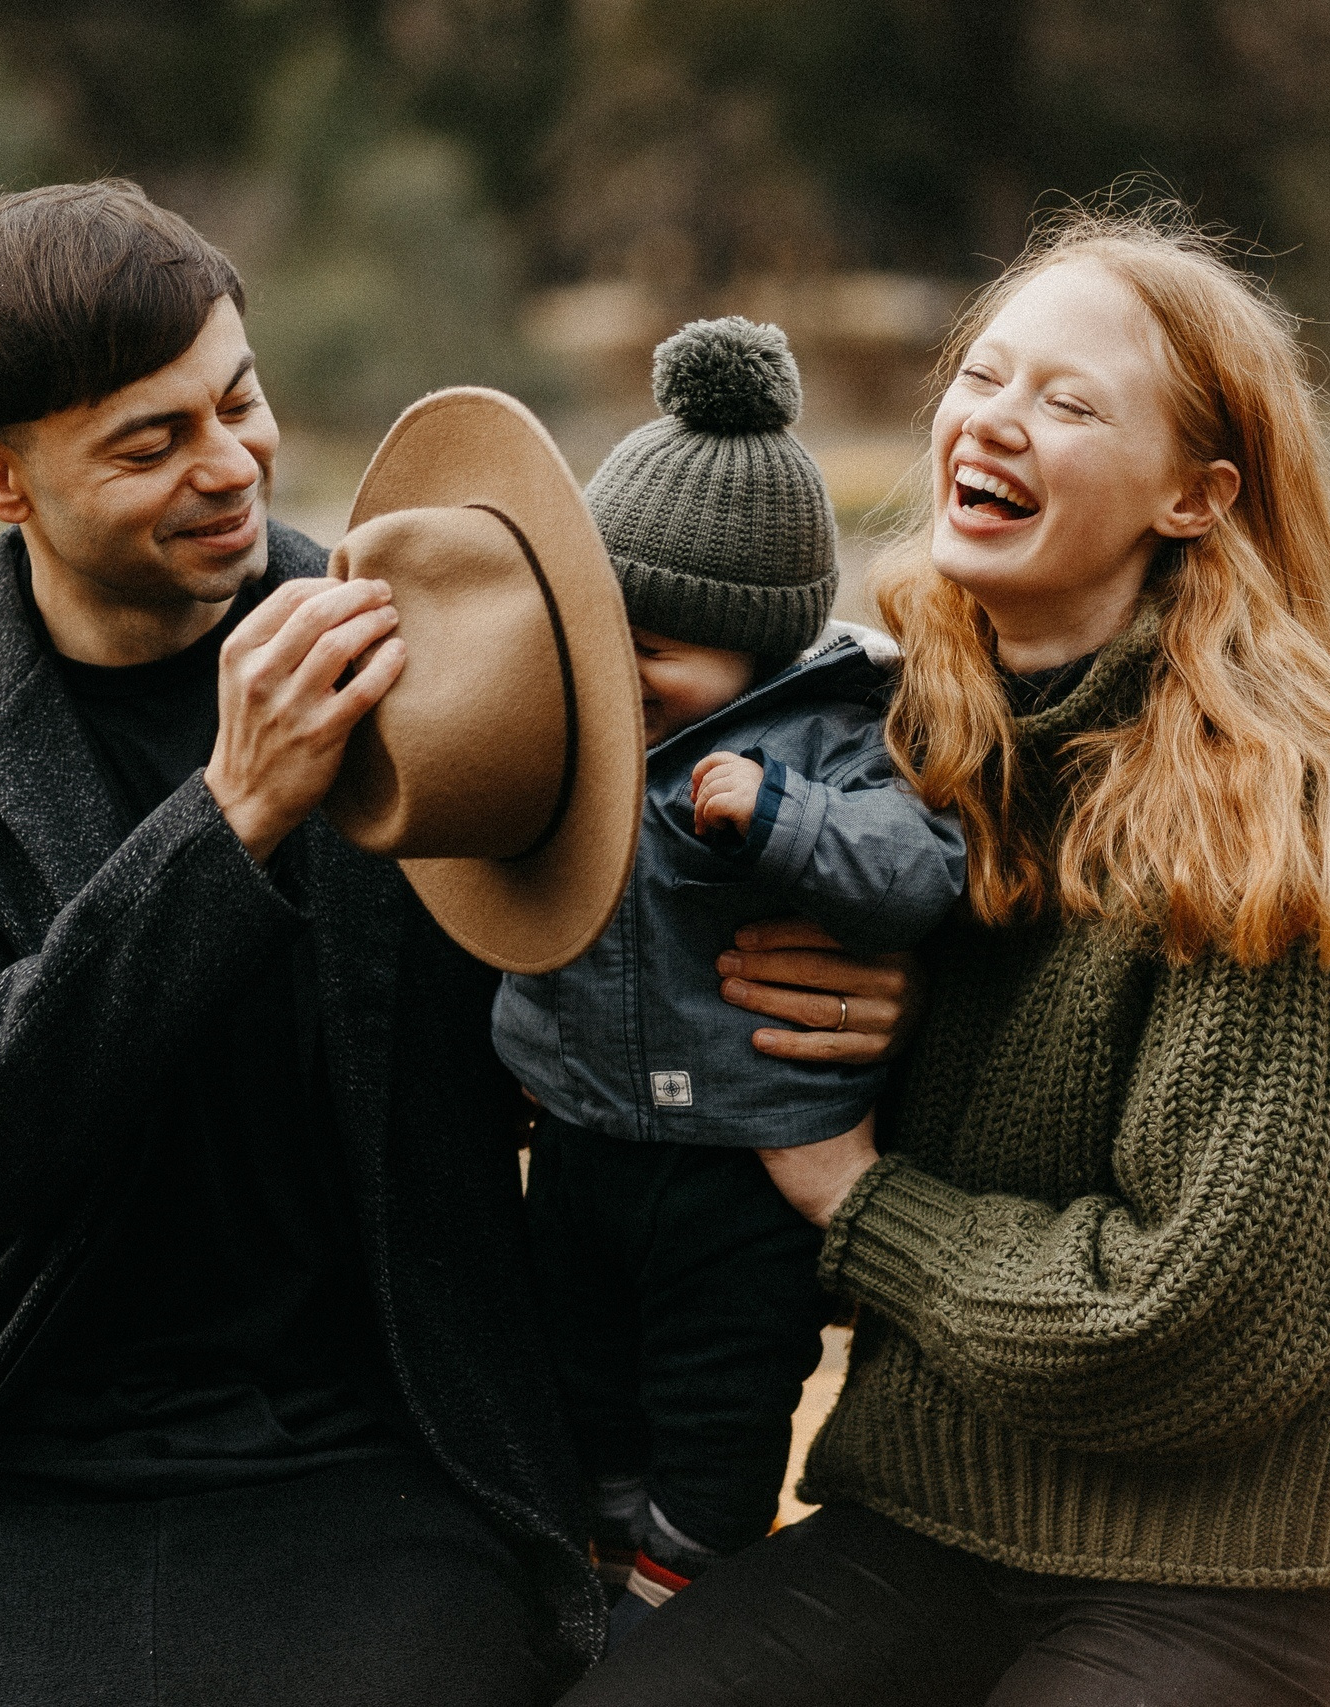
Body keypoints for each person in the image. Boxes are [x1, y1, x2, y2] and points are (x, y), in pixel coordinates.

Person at [0, 179, 916, 1707]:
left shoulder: (438, 662)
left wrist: (839, 999)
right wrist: (231, 816)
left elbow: (644, 918)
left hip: (392, 1429)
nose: (229, 464)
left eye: (239, 400)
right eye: (149, 443)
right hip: (27, 1444)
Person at [561, 204, 1330, 1707]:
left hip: (1203, 1575)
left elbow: (1194, 1323)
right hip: (927, 1523)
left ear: (1194, 497)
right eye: (982, 376)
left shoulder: (1251, 822)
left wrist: (863, 1198)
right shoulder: (886, 758)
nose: (995, 419)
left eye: (1069, 403)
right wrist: (881, 1036)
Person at [493, 318, 964, 1642]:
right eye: (601, 632)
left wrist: (781, 822)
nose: (619, 669)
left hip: (744, 1169)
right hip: (582, 1140)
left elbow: (917, 870)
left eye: (654, 646)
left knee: (721, 1404)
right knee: (582, 1381)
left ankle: (679, 1593)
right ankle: (607, 1563)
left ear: (755, 644)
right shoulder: (577, 718)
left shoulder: (836, 734)